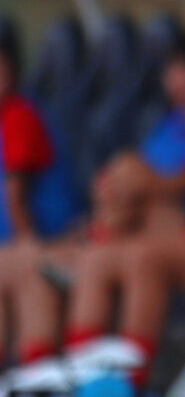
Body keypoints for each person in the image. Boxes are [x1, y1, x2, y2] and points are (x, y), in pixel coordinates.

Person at [62, 54, 185, 388]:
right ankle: (88, 387)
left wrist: (149, 184)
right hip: (179, 230)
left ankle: (128, 386)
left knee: (143, 256)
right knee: (96, 259)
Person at [0, 36, 77, 368]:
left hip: (48, 239)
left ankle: (35, 377)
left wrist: (28, 247)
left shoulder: (19, 115)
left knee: (19, 270)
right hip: (17, 245)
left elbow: (17, 197)